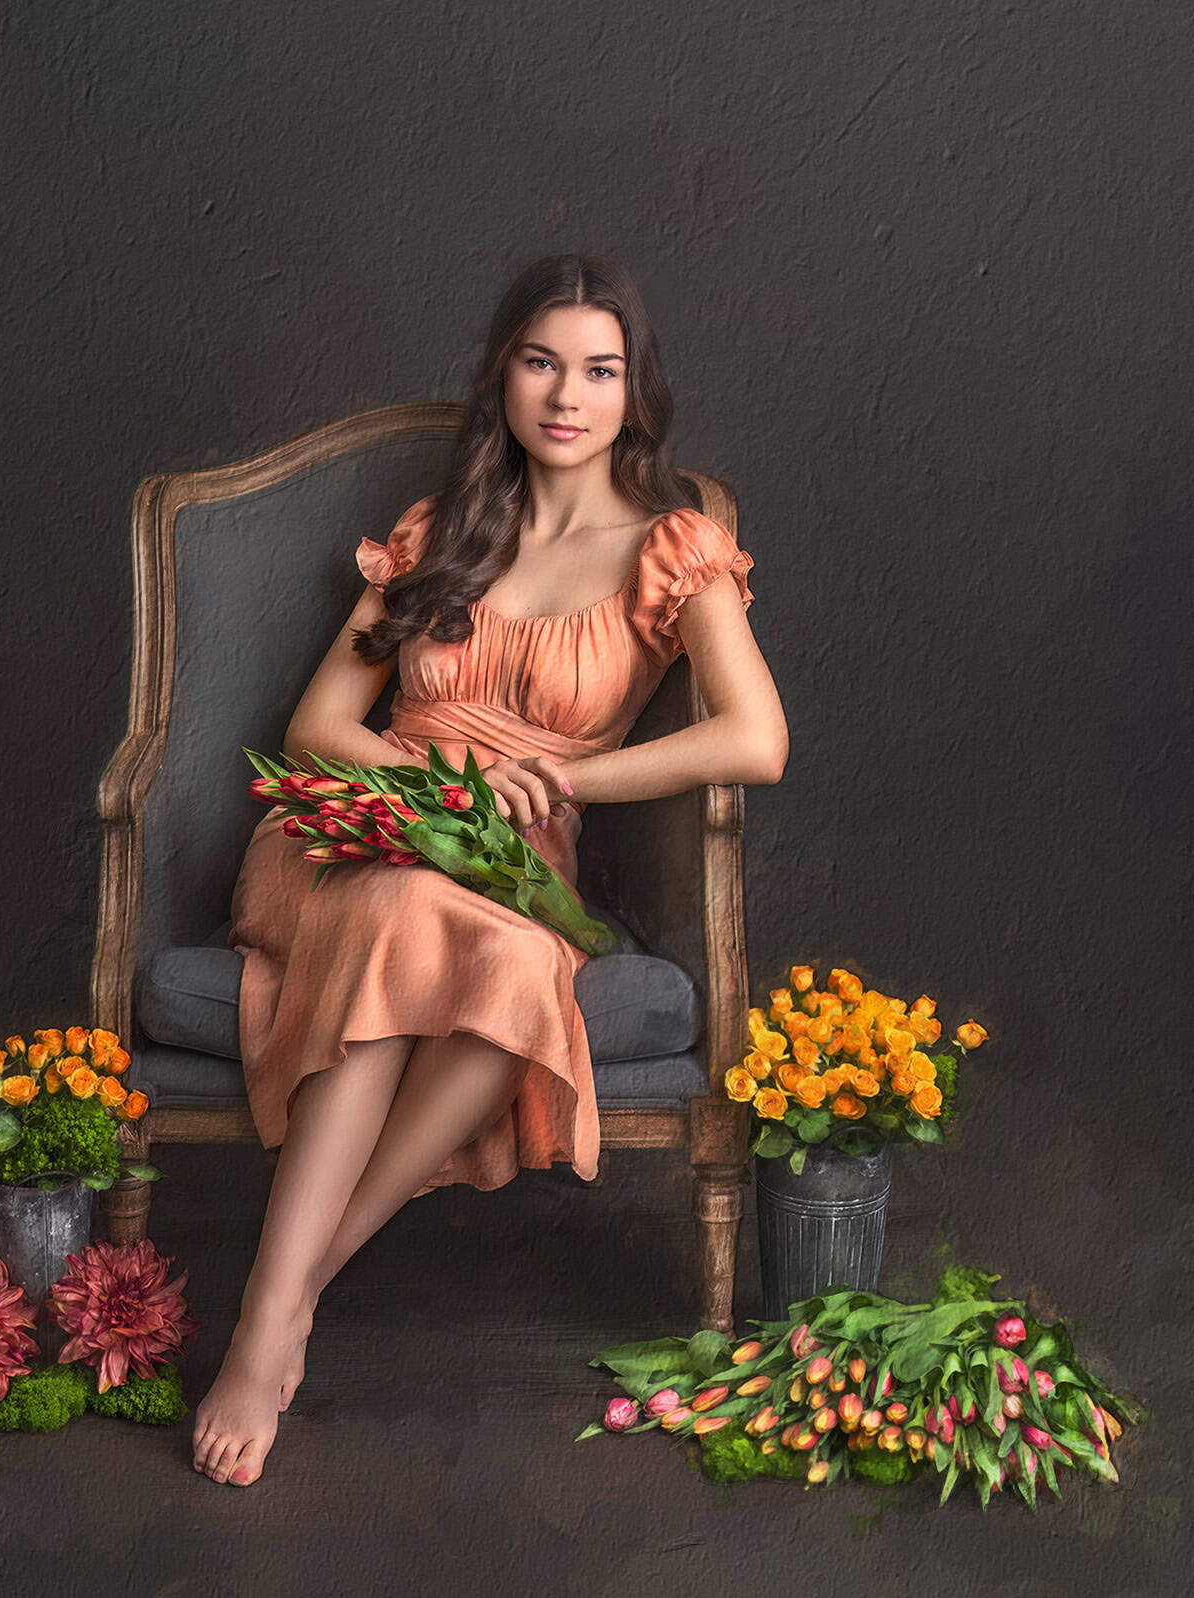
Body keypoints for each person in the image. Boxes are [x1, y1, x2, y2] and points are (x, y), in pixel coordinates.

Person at [192, 253, 789, 1485]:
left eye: (600, 368)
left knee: (512, 955)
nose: (567, 394)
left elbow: (754, 737)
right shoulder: (442, 530)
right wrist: (436, 793)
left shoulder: (676, 548)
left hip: (514, 864)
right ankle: (267, 1320)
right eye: (540, 361)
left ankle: (294, 1284)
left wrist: (569, 781)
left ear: (635, 390)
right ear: (502, 376)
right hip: (359, 825)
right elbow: (318, 726)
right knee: (412, 909)